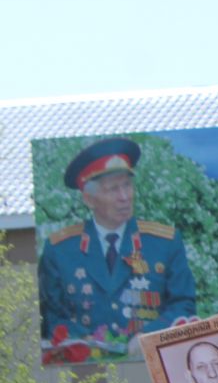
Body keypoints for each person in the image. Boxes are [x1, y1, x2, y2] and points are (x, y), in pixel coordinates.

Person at [39, 137, 197, 363]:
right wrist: (90, 346)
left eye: (127, 185)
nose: (125, 197)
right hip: (86, 372)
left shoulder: (164, 243)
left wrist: (147, 337)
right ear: (89, 199)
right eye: (113, 189)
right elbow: (53, 317)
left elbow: (184, 305)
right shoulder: (60, 250)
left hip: (150, 364)